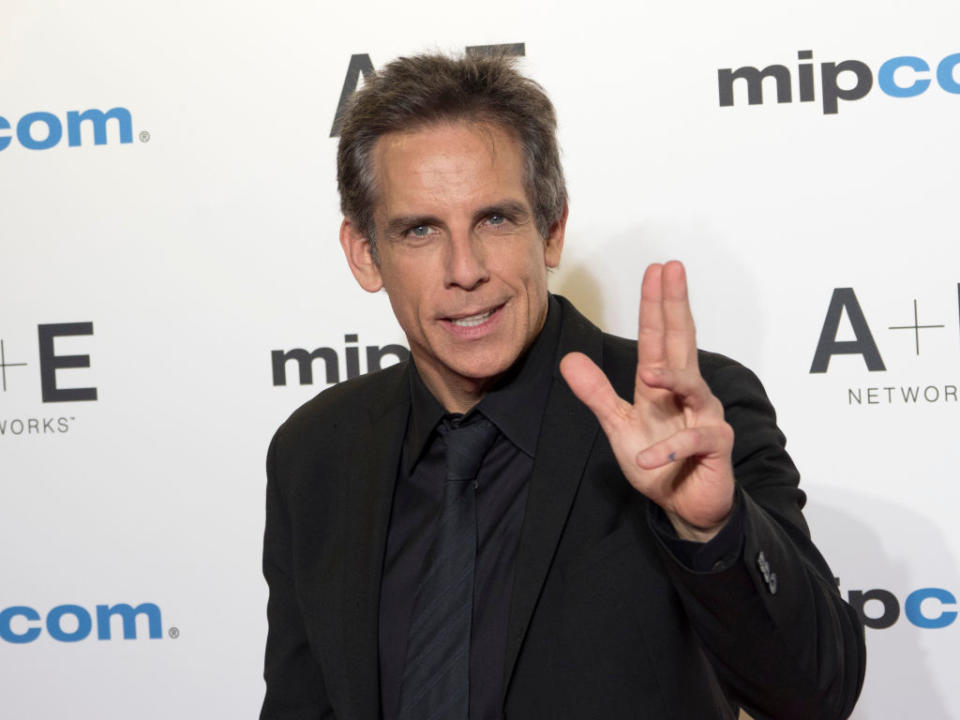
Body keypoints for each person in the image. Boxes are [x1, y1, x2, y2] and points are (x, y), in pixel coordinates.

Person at [260, 53, 865, 720]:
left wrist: (713, 531)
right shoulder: (316, 450)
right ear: (364, 254)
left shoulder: (682, 415)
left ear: (550, 231)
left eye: (495, 219)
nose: (465, 270)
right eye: (421, 230)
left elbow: (815, 694)